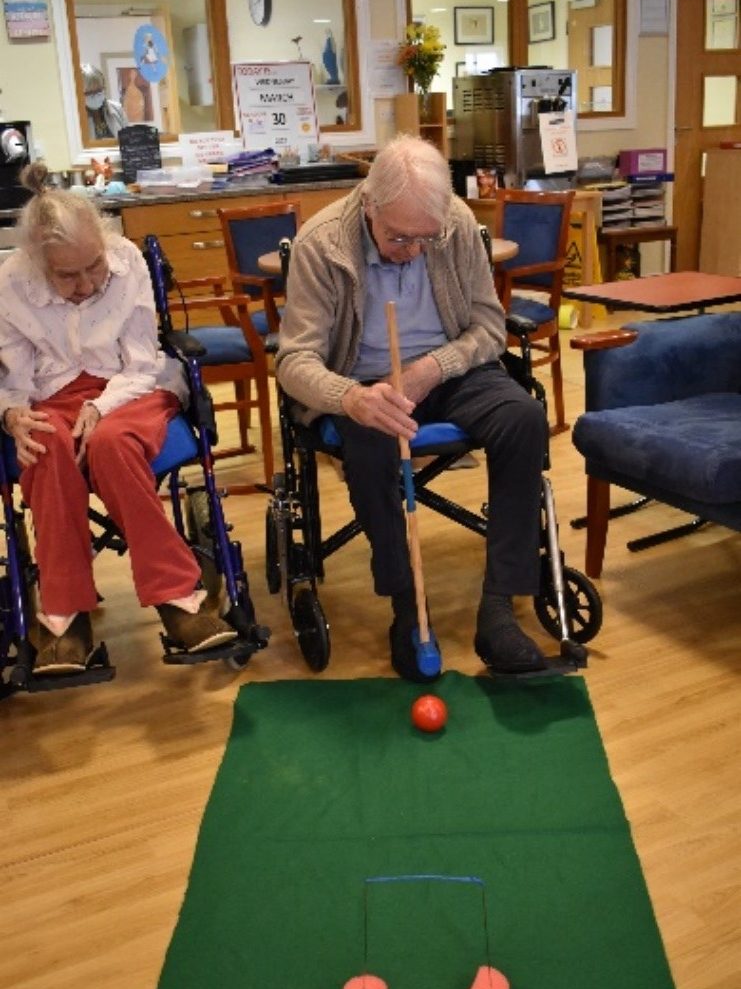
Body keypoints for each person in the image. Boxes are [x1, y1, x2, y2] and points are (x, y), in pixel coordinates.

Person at [275, 134, 549, 680]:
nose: (414, 251)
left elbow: (488, 327)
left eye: (427, 238)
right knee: (370, 445)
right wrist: (350, 397)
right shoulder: (320, 244)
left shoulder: (455, 224)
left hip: (447, 370)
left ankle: (499, 608)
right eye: (400, 237)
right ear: (369, 204)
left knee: (523, 418)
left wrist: (433, 368)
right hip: (363, 383)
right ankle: (407, 608)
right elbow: (294, 360)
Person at [0, 161, 237, 674]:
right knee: (44, 446)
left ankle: (178, 598)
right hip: (50, 394)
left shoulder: (126, 260)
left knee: (111, 443)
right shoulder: (10, 281)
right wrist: (12, 413)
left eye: (94, 267)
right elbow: (15, 378)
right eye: (67, 275)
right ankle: (65, 616)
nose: (86, 284)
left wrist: (100, 407)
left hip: (131, 387)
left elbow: (143, 363)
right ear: (38, 263)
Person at [81, 64, 127, 140]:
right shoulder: (75, 116)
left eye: (99, 90)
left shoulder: (117, 109)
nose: (95, 95)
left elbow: (128, 139)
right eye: (89, 93)